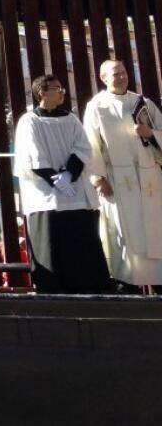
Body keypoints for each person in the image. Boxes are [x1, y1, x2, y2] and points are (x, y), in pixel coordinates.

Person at [14, 73, 111, 294]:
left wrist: (69, 175)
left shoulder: (71, 119)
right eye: (57, 88)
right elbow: (31, 154)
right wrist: (55, 179)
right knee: (52, 246)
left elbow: (83, 147)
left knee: (81, 244)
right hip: (46, 195)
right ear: (42, 92)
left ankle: (90, 288)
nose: (62, 93)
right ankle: (52, 289)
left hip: (74, 189)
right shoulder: (29, 121)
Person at [83, 59, 162, 289]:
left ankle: (158, 284)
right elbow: (91, 143)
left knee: (155, 229)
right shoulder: (97, 106)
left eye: (124, 72)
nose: (121, 77)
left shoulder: (142, 102)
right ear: (103, 78)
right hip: (118, 180)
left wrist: (151, 133)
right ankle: (129, 285)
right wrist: (98, 177)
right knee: (126, 233)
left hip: (150, 179)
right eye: (115, 74)